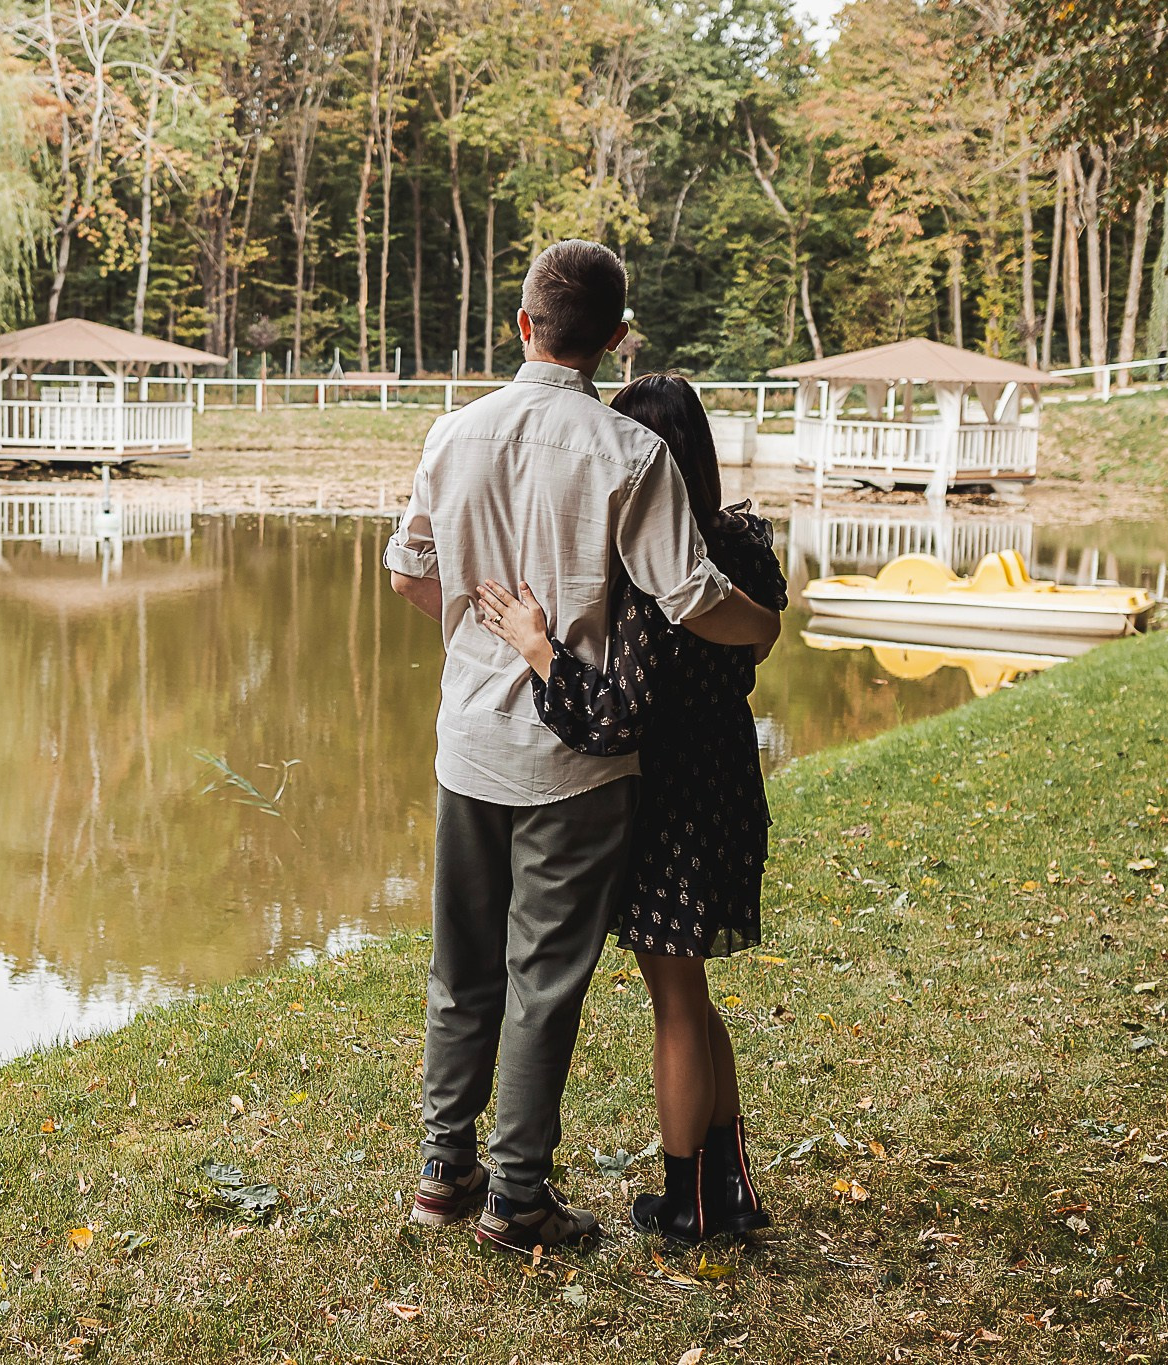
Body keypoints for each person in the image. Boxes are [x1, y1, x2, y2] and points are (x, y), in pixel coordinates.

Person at [385, 241, 782, 1255]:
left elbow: (408, 572)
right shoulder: (627, 454)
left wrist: (473, 628)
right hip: (572, 766)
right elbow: (690, 597)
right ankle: (516, 1199)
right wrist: (764, 628)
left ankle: (442, 1172)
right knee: (543, 978)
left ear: (522, 324)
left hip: (466, 741)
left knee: (458, 964)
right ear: (613, 339)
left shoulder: (453, 431)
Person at [473, 373, 785, 1244]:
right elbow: (765, 630)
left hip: (675, 802)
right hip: (731, 781)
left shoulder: (657, 587)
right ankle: (730, 1187)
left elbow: (613, 719)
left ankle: (686, 1204)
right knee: (695, 994)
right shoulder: (744, 545)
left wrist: (540, 651)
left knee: (676, 1003)